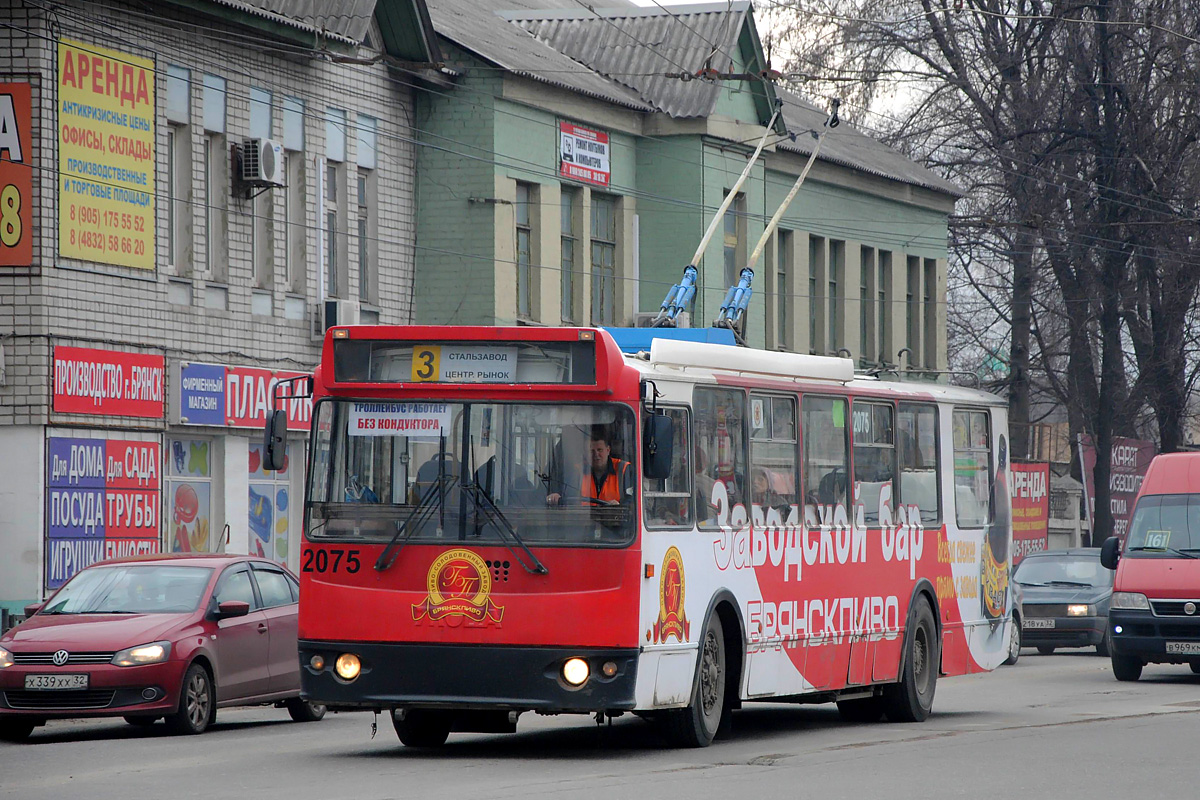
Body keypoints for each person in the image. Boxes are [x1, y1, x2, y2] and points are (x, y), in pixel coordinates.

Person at [547, 427, 632, 507]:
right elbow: (565, 494)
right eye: (591, 451)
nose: (596, 455)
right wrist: (556, 496)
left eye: (600, 450)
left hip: (615, 517)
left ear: (608, 450)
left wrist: (619, 505)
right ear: (585, 453)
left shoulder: (624, 469)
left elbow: (633, 501)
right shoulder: (576, 471)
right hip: (583, 517)